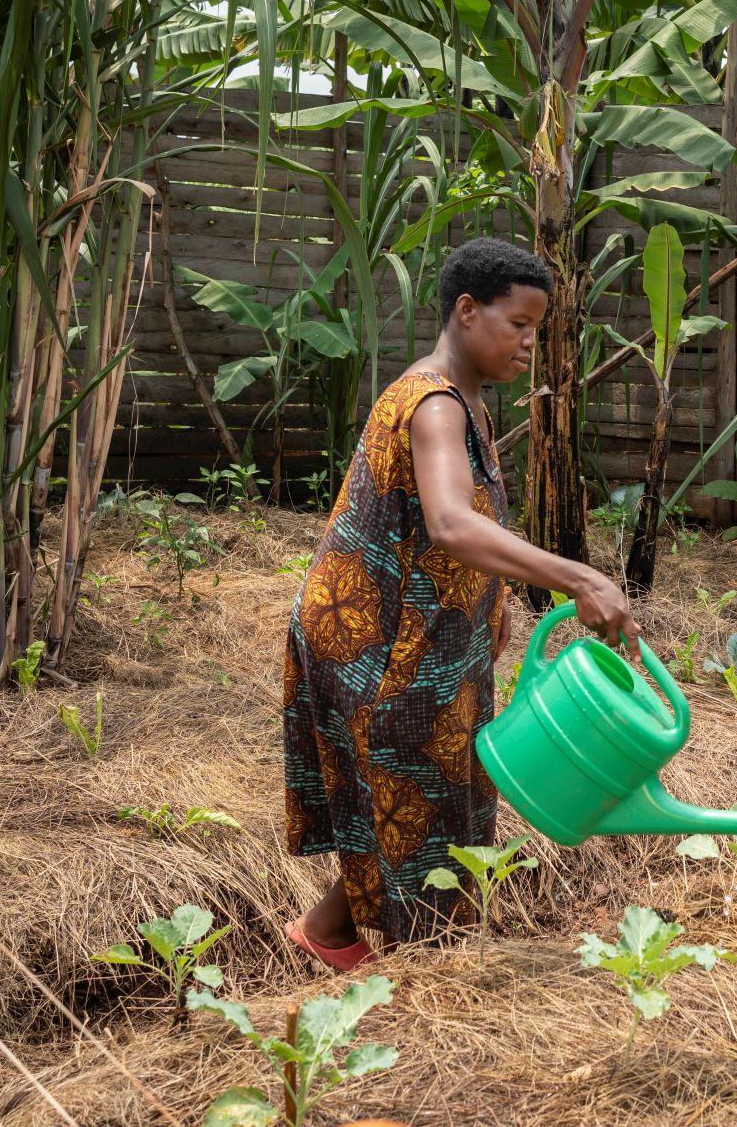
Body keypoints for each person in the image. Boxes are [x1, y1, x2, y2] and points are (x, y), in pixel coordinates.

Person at [282, 237, 640, 968]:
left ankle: (325, 936)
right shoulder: (434, 404)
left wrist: (492, 617)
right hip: (375, 644)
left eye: (537, 328)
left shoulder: (470, 403)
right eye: (518, 324)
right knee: (424, 804)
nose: (530, 343)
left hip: (427, 637)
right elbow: (450, 521)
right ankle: (431, 974)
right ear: (467, 311)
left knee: (446, 796)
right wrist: (579, 578)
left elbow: (451, 536)